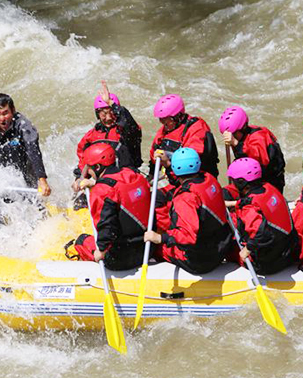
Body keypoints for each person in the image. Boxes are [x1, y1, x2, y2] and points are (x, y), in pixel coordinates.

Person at [144, 148, 231, 274]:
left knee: (154, 248)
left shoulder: (185, 198)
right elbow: (183, 179)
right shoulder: (208, 178)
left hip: (199, 260)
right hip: (222, 245)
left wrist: (160, 238)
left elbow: (187, 236)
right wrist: (168, 165)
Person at [70, 143, 151, 271]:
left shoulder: (102, 191)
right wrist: (94, 184)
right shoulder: (136, 177)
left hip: (120, 258)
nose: (89, 172)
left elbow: (107, 225)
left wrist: (101, 251)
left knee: (81, 240)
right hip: (147, 249)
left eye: (89, 168)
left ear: (97, 167)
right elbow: (121, 190)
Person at [225, 158, 297, 274]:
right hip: (287, 251)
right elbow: (257, 202)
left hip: (267, 264)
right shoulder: (269, 188)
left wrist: (247, 250)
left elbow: (261, 235)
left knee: (227, 246)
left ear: (241, 183)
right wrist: (234, 203)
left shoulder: (249, 208)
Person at [72, 81, 142, 190]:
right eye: (104, 114)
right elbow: (84, 159)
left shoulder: (125, 131)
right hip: (101, 183)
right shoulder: (91, 136)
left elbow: (130, 124)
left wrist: (111, 103)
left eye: (112, 112)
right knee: (78, 205)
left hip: (125, 182)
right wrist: (79, 178)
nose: (108, 118)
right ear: (97, 114)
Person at [149, 94, 219, 179]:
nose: (162, 122)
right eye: (161, 119)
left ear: (178, 117)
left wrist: (167, 164)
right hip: (176, 178)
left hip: (197, 180)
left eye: (165, 119)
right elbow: (154, 152)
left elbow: (189, 166)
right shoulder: (166, 129)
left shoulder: (197, 129)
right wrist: (150, 176)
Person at [220, 106, 286, 194]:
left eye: (234, 134)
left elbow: (257, 161)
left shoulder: (258, 137)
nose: (231, 136)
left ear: (242, 128)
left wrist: (236, 143)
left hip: (270, 182)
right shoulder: (240, 136)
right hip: (252, 180)